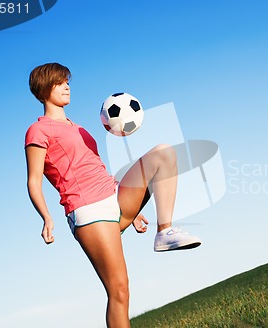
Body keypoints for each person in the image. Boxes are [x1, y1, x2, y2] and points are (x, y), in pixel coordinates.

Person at [25, 62, 201, 327]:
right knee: (119, 291)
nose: (66, 86)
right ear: (43, 89)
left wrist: (135, 209)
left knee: (164, 152)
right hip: (88, 210)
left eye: (67, 82)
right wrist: (46, 217)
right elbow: (34, 181)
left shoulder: (79, 128)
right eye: (59, 82)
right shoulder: (38, 131)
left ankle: (164, 231)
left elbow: (96, 167)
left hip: (113, 197)